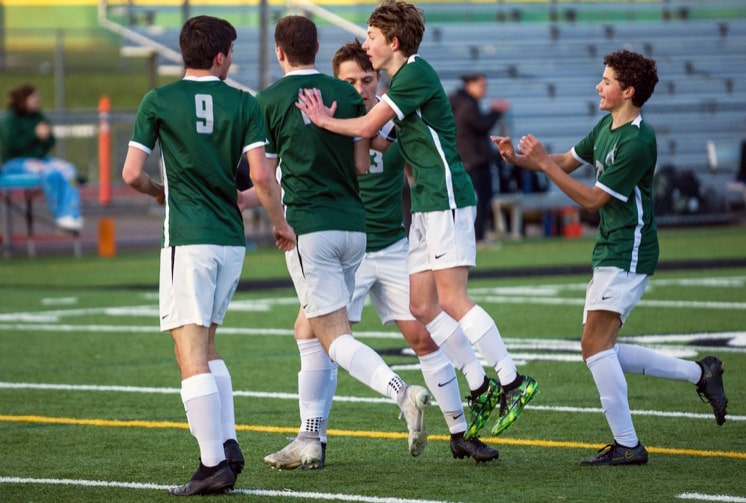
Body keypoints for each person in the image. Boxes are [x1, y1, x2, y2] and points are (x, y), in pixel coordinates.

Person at [295, 0, 538, 440]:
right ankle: (480, 384)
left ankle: (512, 381)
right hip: (425, 206)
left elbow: (369, 126)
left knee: (453, 299)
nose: (365, 42)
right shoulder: (402, 81)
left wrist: (322, 121)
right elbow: (388, 145)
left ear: (393, 42)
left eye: (371, 35)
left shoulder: (414, 74)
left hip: (446, 198)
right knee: (424, 305)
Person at [261, 40, 499, 469]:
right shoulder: (320, 123)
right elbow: (279, 176)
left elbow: (417, 169)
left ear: (378, 78)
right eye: (349, 81)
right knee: (311, 332)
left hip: (388, 245)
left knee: (422, 334)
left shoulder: (393, 124)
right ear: (334, 83)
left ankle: (461, 432)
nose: (360, 86)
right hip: (343, 245)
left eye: (366, 79)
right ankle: (313, 435)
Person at [492, 49, 728, 466]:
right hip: (611, 246)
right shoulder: (607, 125)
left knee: (595, 346)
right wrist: (522, 160)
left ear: (627, 91)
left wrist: (546, 164)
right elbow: (567, 161)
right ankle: (701, 374)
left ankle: (629, 444)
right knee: (601, 349)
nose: (598, 86)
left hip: (629, 248)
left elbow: (593, 200)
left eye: (606, 81)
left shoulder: (639, 141)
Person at [121, 15, 295, 495]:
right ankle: (227, 443)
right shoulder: (243, 101)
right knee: (206, 344)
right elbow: (260, 176)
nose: (232, 59)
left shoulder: (157, 100)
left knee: (189, 352)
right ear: (219, 56)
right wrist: (280, 223)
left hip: (188, 239)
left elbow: (131, 174)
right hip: (228, 240)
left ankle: (211, 464)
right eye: (232, 52)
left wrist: (160, 192)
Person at [255, 15, 431, 469]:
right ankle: (310, 438)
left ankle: (402, 392)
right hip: (354, 227)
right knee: (308, 329)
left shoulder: (270, 99)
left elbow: (264, 176)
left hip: (309, 227)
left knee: (333, 337)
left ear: (279, 52)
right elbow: (359, 161)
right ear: (316, 46)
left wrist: (278, 222)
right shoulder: (348, 95)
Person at [1, 84, 84, 231]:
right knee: (48, 172)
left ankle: (72, 214)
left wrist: (45, 137)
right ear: (23, 99)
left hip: (40, 159)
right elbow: (11, 145)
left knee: (69, 170)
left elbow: (50, 140)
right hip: (16, 162)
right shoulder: (10, 118)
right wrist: (35, 135)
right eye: (33, 97)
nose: (37, 100)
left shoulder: (38, 117)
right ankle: (60, 213)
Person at [449, 73, 509, 245]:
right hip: (473, 161)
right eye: (481, 86)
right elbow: (482, 124)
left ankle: (477, 235)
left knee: (477, 200)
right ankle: (478, 237)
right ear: (470, 85)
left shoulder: (461, 102)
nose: (485, 90)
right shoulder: (466, 105)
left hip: (468, 159)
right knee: (479, 199)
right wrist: (496, 111)